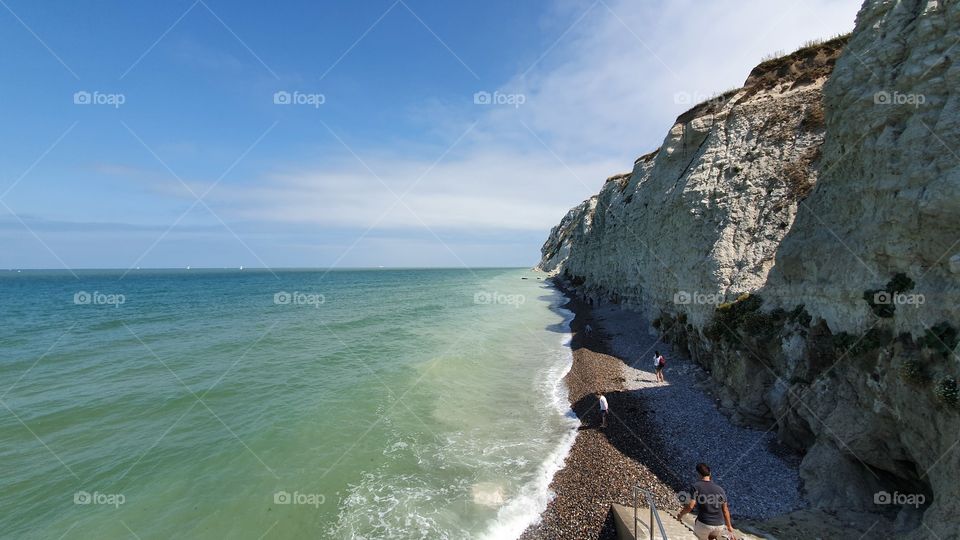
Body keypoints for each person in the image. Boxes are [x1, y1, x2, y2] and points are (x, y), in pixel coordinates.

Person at [677, 463, 736, 540]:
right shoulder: (720, 489)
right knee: (711, 537)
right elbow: (725, 510)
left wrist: (680, 515)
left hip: (704, 524)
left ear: (698, 474)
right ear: (710, 473)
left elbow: (690, 506)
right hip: (719, 525)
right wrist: (729, 526)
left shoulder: (696, 486)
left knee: (700, 533)